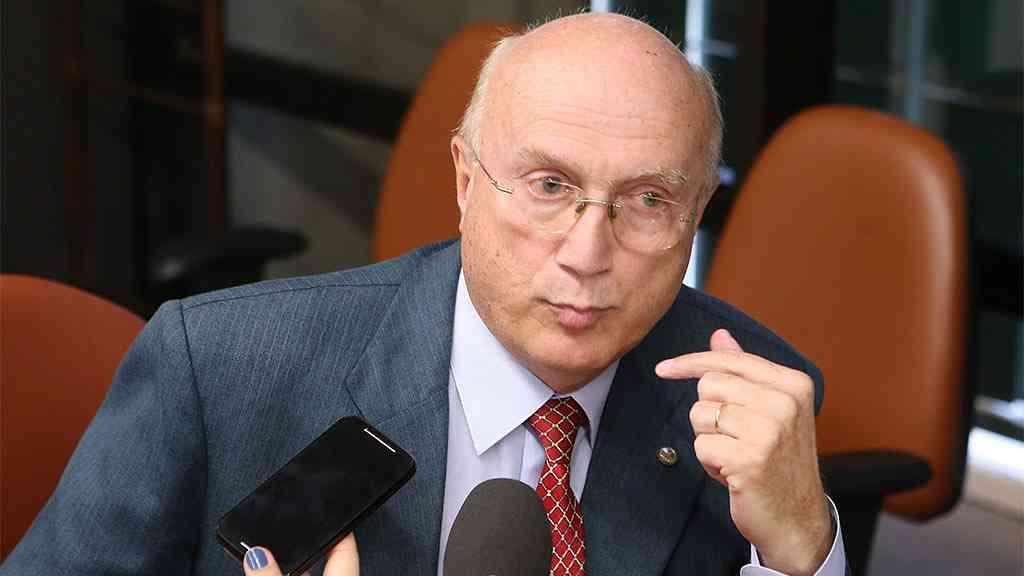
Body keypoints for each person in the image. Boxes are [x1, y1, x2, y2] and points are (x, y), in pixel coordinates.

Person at [1, 12, 845, 576]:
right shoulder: (219, 370)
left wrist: (805, 549)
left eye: (649, 200)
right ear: (465, 182)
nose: (589, 254)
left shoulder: (753, 408)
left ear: (695, 216)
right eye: (549, 186)